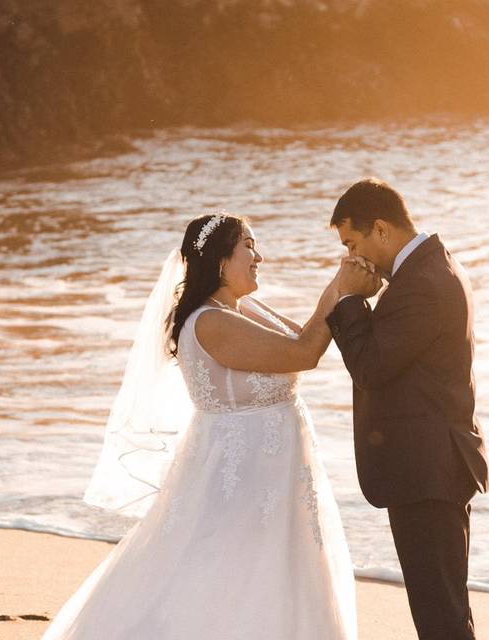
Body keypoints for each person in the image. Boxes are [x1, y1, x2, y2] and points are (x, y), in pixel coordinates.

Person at [42, 212, 357, 639]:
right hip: (242, 476)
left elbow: (302, 338)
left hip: (278, 475)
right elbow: (303, 353)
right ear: (221, 262)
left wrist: (341, 292)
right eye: (248, 245)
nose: (259, 256)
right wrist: (340, 286)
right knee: (230, 581)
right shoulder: (211, 322)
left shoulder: (242, 308)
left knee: (280, 575)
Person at [326, 178, 489, 640]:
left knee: (440, 615)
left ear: (380, 229)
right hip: (433, 465)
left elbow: (371, 368)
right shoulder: (432, 268)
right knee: (445, 609)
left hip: (428, 470)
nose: (351, 257)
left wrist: (352, 298)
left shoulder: (421, 284)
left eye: (352, 242)